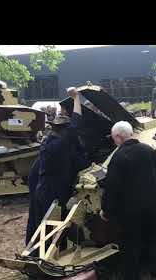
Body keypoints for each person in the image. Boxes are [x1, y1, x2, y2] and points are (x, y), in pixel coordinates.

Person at [100, 121, 156, 280]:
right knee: (153, 238)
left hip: (130, 211)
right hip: (152, 205)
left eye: (113, 137)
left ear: (118, 137)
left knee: (130, 246)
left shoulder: (119, 157)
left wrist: (106, 211)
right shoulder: (147, 149)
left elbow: (112, 188)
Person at [34, 87, 89, 248]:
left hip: (43, 187)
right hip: (55, 191)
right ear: (64, 130)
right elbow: (77, 121)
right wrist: (76, 98)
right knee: (53, 224)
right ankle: (52, 254)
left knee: (45, 224)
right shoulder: (62, 143)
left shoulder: (48, 141)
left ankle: (49, 251)